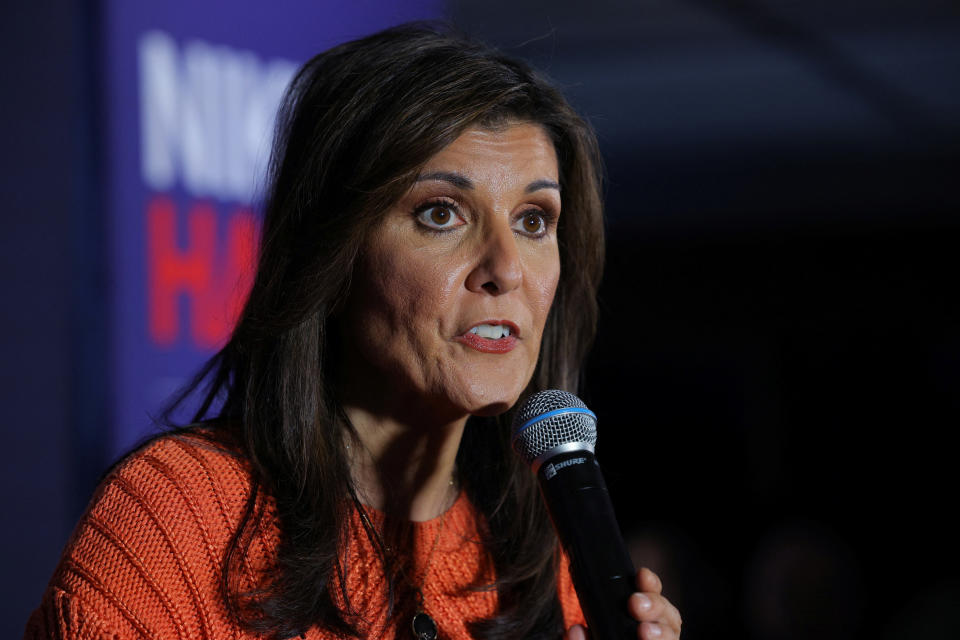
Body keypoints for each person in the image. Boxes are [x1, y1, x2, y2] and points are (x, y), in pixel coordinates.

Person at [26, 23, 681, 640]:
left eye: (534, 221)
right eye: (441, 213)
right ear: (333, 255)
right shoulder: (176, 517)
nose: (506, 268)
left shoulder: (546, 564)